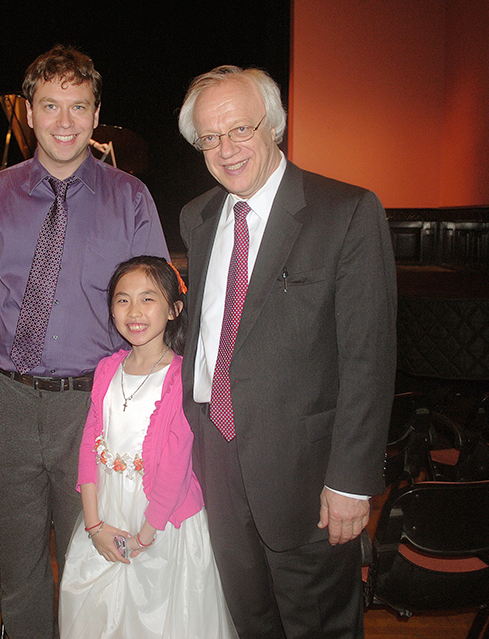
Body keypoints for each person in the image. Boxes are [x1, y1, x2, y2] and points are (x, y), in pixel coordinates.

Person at [0, 45, 168, 639]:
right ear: (29, 113)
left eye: (79, 106)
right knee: (19, 569)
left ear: (98, 114)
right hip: (6, 402)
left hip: (94, 410)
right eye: (51, 105)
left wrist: (145, 411)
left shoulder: (131, 199)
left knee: (93, 564)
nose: (65, 121)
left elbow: (156, 310)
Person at [177, 65, 397, 638]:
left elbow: (368, 358)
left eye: (241, 130)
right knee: (251, 620)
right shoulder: (198, 217)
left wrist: (352, 479)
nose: (226, 150)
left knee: (319, 626)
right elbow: (208, 332)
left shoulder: (345, 212)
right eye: (210, 137)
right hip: (218, 457)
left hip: (307, 474)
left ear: (274, 126)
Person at [59, 255, 238, 639]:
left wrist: (144, 537)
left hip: (161, 521)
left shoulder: (180, 378)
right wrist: (93, 524)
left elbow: (175, 468)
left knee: (158, 619)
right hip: (104, 513)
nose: (134, 311)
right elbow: (90, 446)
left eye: (148, 299)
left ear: (174, 309)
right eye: (123, 299)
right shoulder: (107, 369)